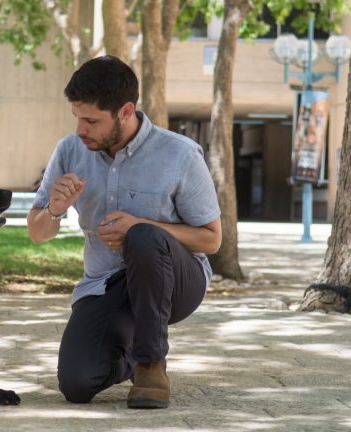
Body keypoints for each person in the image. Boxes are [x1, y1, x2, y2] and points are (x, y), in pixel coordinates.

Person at [27, 56, 221, 409]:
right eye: (77, 118)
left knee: (144, 237)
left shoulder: (179, 154)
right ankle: (130, 356)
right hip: (107, 284)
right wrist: (54, 208)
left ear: (125, 111)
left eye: (91, 120)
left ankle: (151, 365)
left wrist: (143, 226)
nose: (80, 130)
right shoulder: (70, 150)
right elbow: (38, 234)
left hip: (178, 281)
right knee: (77, 385)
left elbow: (211, 239)